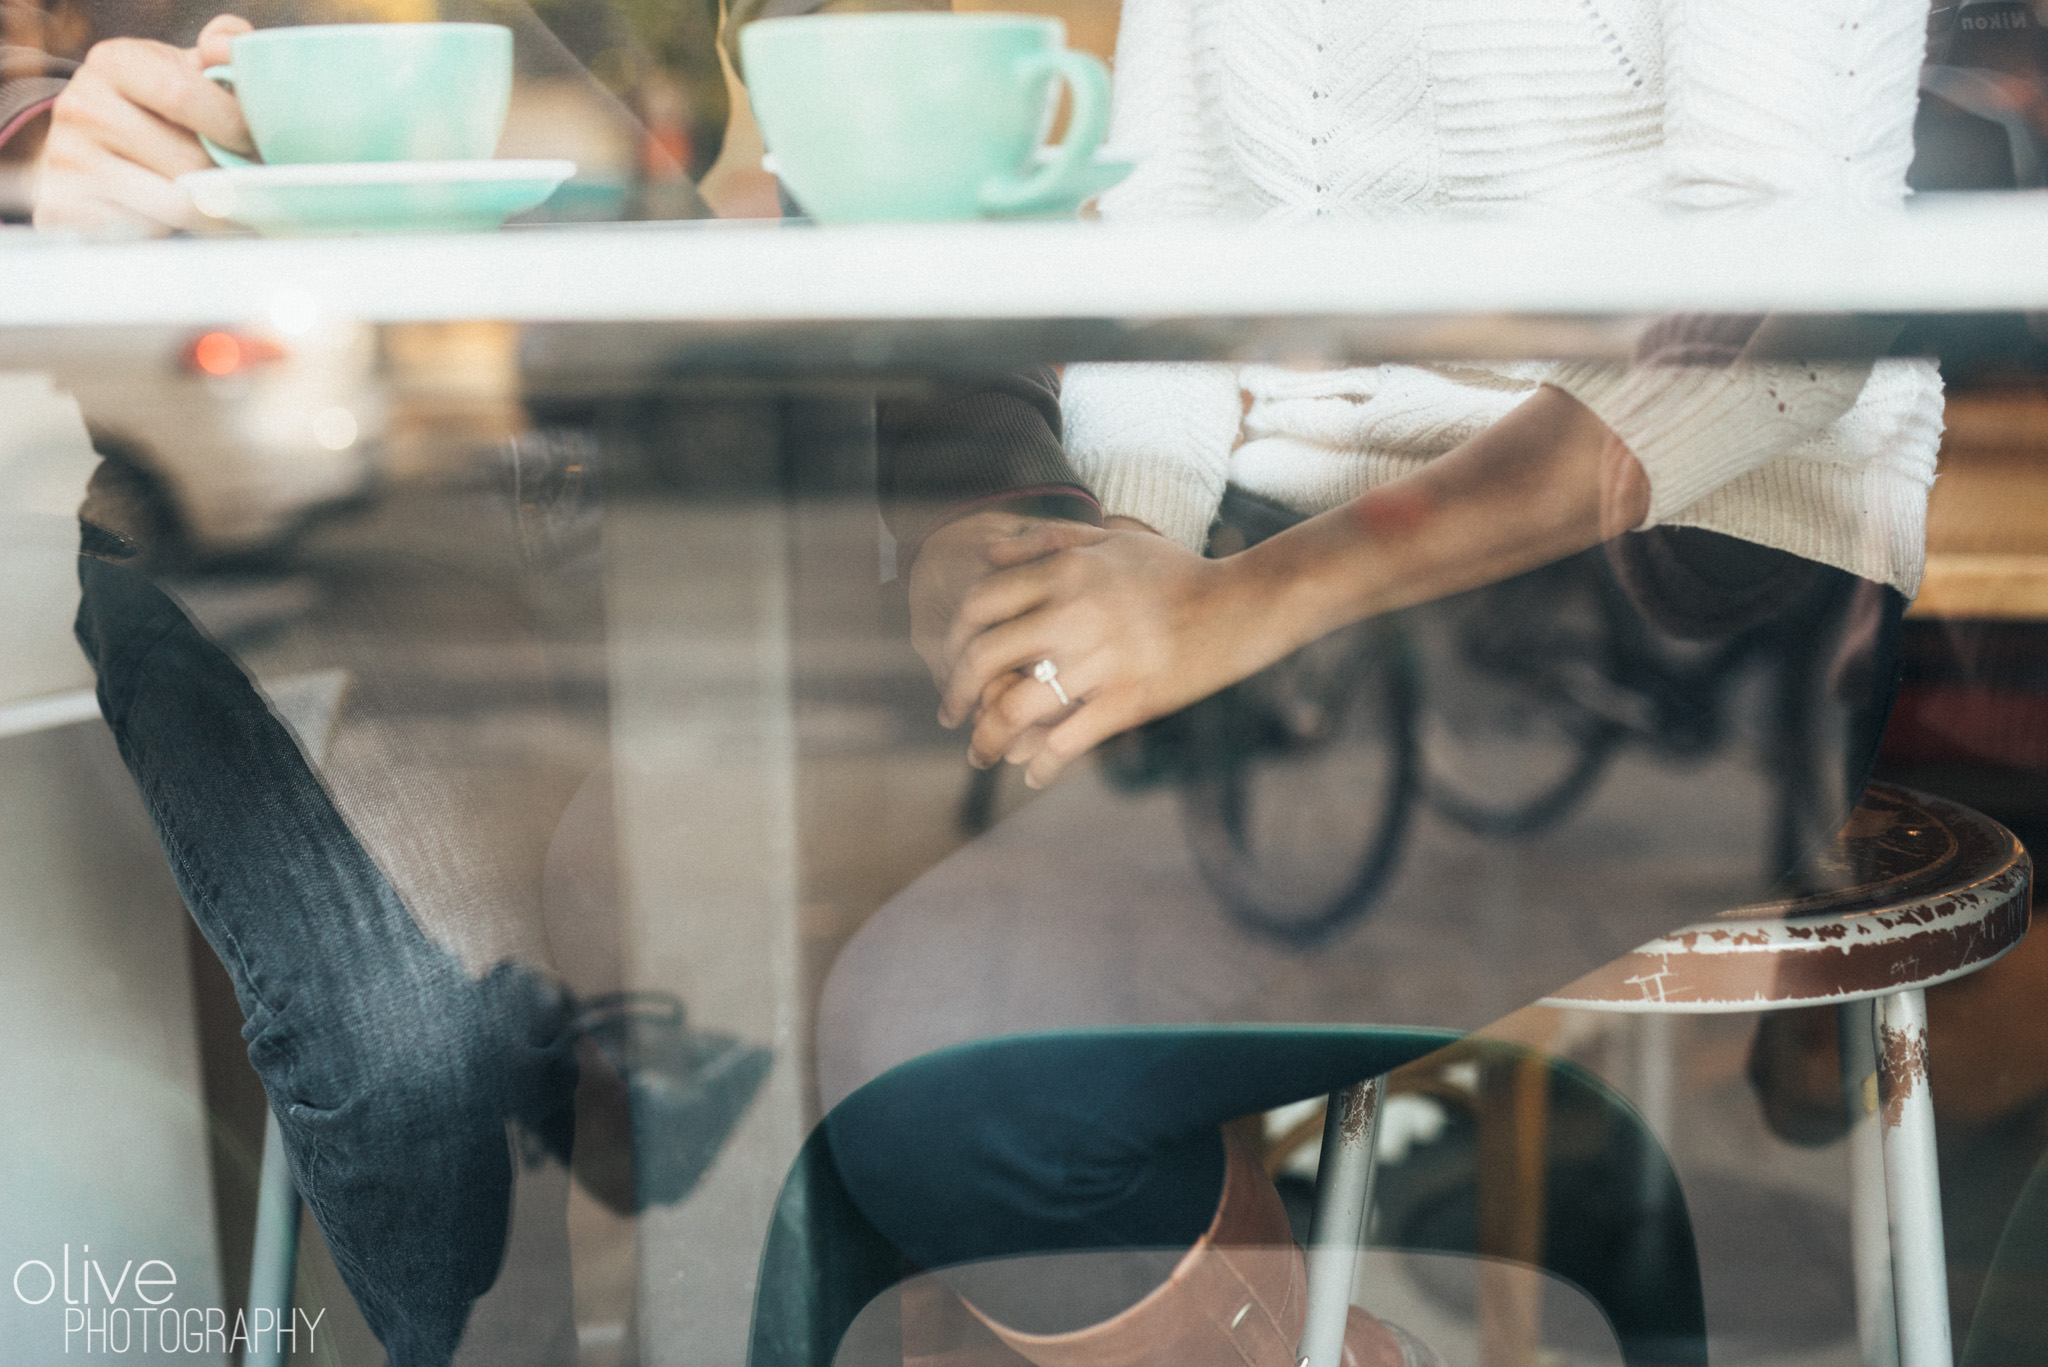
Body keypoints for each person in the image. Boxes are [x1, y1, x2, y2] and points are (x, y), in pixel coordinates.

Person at [818, 1, 1943, 1363]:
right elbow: (1173, 262)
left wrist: (1239, 610)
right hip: (1273, 566)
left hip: (1689, 594)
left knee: (953, 1065)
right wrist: (1126, 588)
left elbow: (1790, 305)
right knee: (686, 886)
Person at [10, 10, 1104, 1364]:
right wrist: (38, 141)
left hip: (692, 449)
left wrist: (985, 490)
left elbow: (891, 98)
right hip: (265, 478)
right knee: (431, 1052)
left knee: (811, 1009)